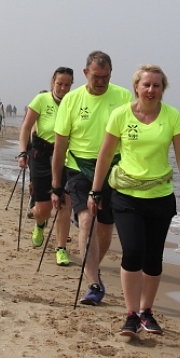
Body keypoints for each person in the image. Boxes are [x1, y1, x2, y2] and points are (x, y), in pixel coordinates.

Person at [87, 64, 180, 335]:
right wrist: (96, 190)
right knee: (133, 252)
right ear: (136, 86)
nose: (150, 90)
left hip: (159, 195)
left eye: (156, 85)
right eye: (146, 85)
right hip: (126, 195)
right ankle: (131, 314)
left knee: (153, 259)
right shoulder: (121, 115)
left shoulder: (172, 116)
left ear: (163, 89)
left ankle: (147, 312)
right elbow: (106, 155)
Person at [52, 51, 132, 305]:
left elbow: (132, 138)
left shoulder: (122, 97)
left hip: (113, 167)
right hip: (79, 167)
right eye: (96, 76)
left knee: (106, 229)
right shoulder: (72, 100)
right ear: (86, 73)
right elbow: (60, 146)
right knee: (87, 221)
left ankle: (93, 265)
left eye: (106, 76)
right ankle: (94, 283)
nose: (101, 81)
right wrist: (55, 185)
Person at [18, 67, 74, 265]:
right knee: (43, 209)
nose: (63, 88)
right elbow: (26, 127)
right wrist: (23, 152)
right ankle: (40, 224)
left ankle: (61, 248)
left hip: (67, 157)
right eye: (60, 84)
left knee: (64, 203)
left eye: (67, 84)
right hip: (41, 155)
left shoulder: (74, 102)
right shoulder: (41, 100)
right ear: (53, 82)